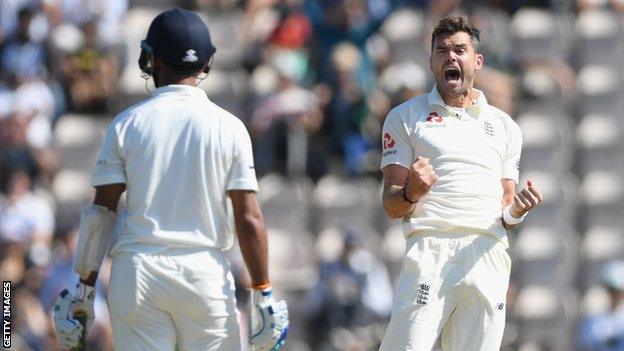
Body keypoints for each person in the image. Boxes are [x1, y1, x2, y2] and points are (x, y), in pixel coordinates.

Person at [51, 8, 288, 351]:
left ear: (151, 59)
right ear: (206, 63)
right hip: (204, 274)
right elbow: (248, 217)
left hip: (139, 274)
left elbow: (101, 213)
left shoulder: (127, 124)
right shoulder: (230, 127)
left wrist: (84, 290)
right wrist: (262, 291)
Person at [378, 16, 543, 350]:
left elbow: (505, 211)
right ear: (431, 62)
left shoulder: (505, 126)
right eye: (442, 51)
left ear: (477, 61)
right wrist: (412, 190)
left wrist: (518, 211)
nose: (451, 57)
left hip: (486, 252)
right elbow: (391, 205)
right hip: (431, 249)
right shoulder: (406, 116)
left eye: (460, 50)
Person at [578, 260, 624, 351]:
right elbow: (585, 346)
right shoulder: (592, 317)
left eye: (617, 290)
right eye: (610, 290)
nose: (614, 295)